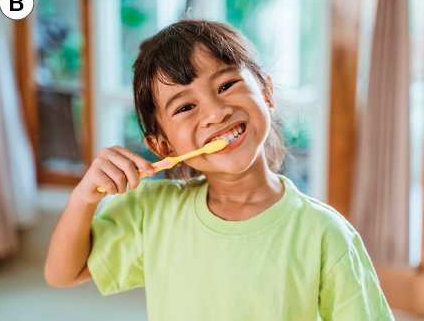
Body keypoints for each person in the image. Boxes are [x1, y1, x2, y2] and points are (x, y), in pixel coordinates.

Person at [44, 20, 395, 321]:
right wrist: (83, 199)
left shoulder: (324, 233)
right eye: (185, 107)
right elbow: (63, 273)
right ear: (161, 146)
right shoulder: (149, 211)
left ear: (266, 93)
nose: (215, 112)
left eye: (227, 85)